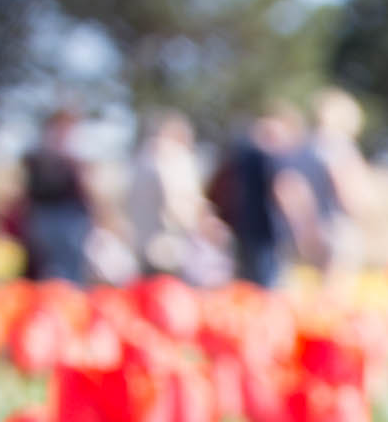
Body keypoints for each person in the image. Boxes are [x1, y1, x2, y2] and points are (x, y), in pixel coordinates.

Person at [215, 106, 317, 289]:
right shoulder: (274, 156)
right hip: (268, 233)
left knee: (245, 286)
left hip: (242, 229)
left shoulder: (240, 153)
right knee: (268, 288)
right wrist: (302, 231)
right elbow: (285, 192)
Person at [126, 112, 214, 279]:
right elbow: (173, 199)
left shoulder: (142, 158)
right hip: (169, 237)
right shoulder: (171, 157)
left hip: (144, 236)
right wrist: (194, 224)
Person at [19, 108, 101, 284]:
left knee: (72, 265)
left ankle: (67, 301)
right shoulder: (42, 154)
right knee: (51, 266)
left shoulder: (75, 155)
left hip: (72, 217)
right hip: (48, 216)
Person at [300, 88, 369, 281]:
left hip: (313, 223)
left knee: (322, 284)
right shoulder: (338, 145)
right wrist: (358, 212)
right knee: (338, 289)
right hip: (337, 223)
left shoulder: (309, 145)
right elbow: (342, 184)